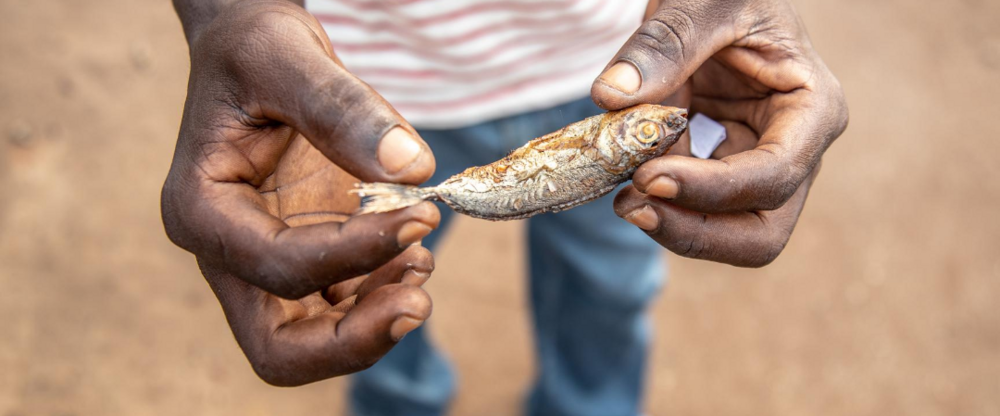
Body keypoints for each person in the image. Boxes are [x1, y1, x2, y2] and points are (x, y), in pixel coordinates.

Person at [162, 0, 848, 415]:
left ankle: (591, 407)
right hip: (362, 90)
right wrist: (226, 11)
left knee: (611, 282)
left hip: (613, 62)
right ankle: (399, 402)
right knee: (365, 280)